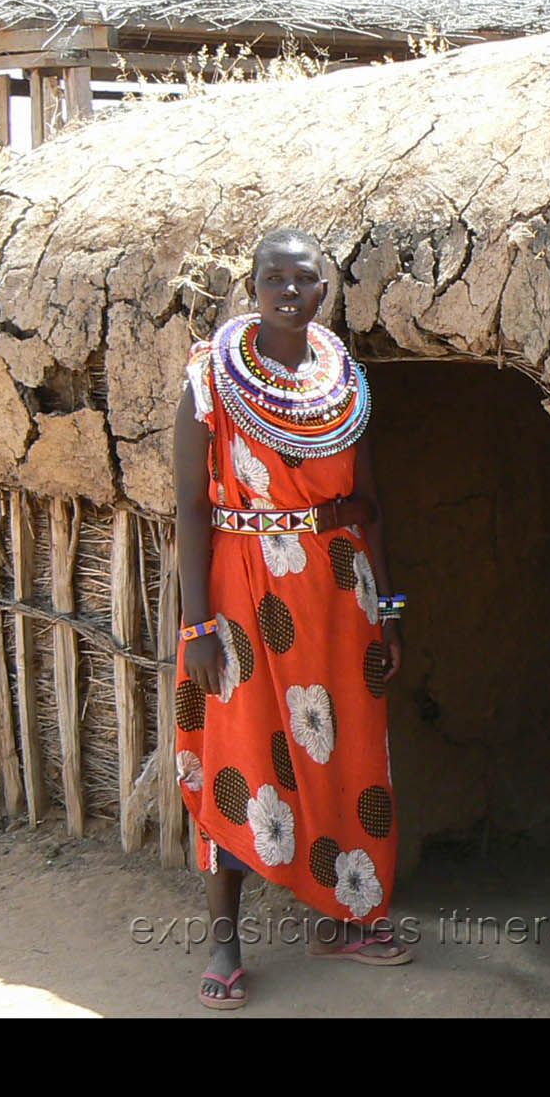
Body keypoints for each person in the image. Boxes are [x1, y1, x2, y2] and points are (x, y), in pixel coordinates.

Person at [173, 227, 410, 1011]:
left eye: (303, 279)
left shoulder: (344, 385)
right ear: (251, 285)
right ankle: (223, 939)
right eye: (271, 276)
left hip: (339, 592)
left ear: (321, 292)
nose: (287, 290)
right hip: (240, 594)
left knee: (347, 748)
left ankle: (350, 913)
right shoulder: (211, 381)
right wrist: (198, 627)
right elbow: (189, 510)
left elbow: (371, 499)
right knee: (240, 750)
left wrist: (391, 608)